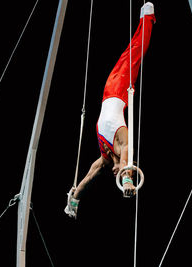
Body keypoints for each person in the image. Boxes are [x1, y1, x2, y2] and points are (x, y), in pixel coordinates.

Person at [65, 2, 155, 219]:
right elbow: (125, 162)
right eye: (124, 171)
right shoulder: (123, 142)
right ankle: (148, 18)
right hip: (120, 90)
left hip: (108, 91)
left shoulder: (105, 158)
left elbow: (88, 177)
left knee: (130, 54)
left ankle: (146, 19)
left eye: (117, 173)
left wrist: (74, 200)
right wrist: (127, 182)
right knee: (135, 53)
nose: (116, 171)